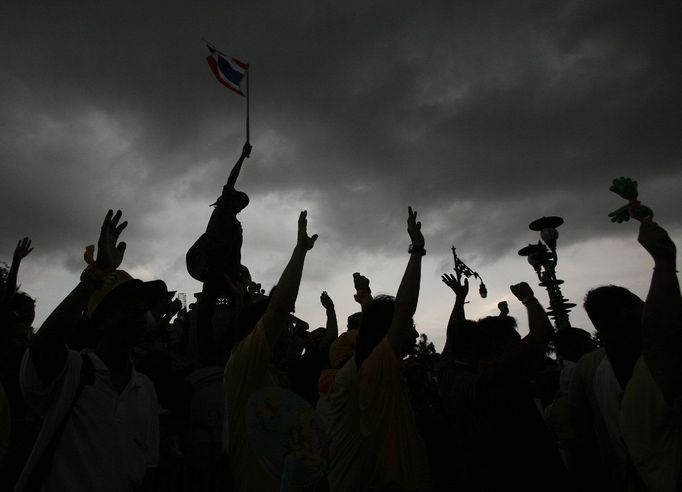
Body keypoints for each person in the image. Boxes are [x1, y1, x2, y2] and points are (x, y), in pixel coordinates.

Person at [15, 210, 166, 492]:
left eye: (141, 308)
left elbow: (148, 469)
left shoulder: (145, 390)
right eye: (129, 308)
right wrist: (96, 275)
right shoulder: (74, 370)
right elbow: (42, 349)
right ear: (104, 321)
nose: (141, 315)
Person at [328, 207, 431, 492]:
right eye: (407, 328)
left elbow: (381, 320)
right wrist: (417, 250)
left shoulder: (372, 364)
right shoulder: (374, 366)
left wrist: (365, 296)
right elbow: (403, 310)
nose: (412, 333)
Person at [439, 275, 567, 490]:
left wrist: (460, 300)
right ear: (498, 346)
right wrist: (528, 298)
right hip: (523, 474)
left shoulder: (448, 377)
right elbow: (541, 335)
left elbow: (453, 338)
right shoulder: (496, 375)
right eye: (513, 338)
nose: (518, 342)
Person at [223, 210, 317, 492]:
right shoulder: (244, 365)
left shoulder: (271, 375)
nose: (287, 334)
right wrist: (300, 251)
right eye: (280, 328)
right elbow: (279, 308)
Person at [619, 218, 681, 491]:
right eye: (640, 309)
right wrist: (664, 261)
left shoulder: (634, 381)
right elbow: (661, 339)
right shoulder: (650, 375)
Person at [187, 142, 252, 364]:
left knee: (246, 307)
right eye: (240, 202)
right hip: (215, 267)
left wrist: (237, 274)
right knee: (205, 311)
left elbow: (236, 254)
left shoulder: (236, 226)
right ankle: (208, 356)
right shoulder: (223, 210)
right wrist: (242, 156)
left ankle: (239, 348)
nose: (241, 207)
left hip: (230, 270)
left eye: (244, 205)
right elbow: (231, 179)